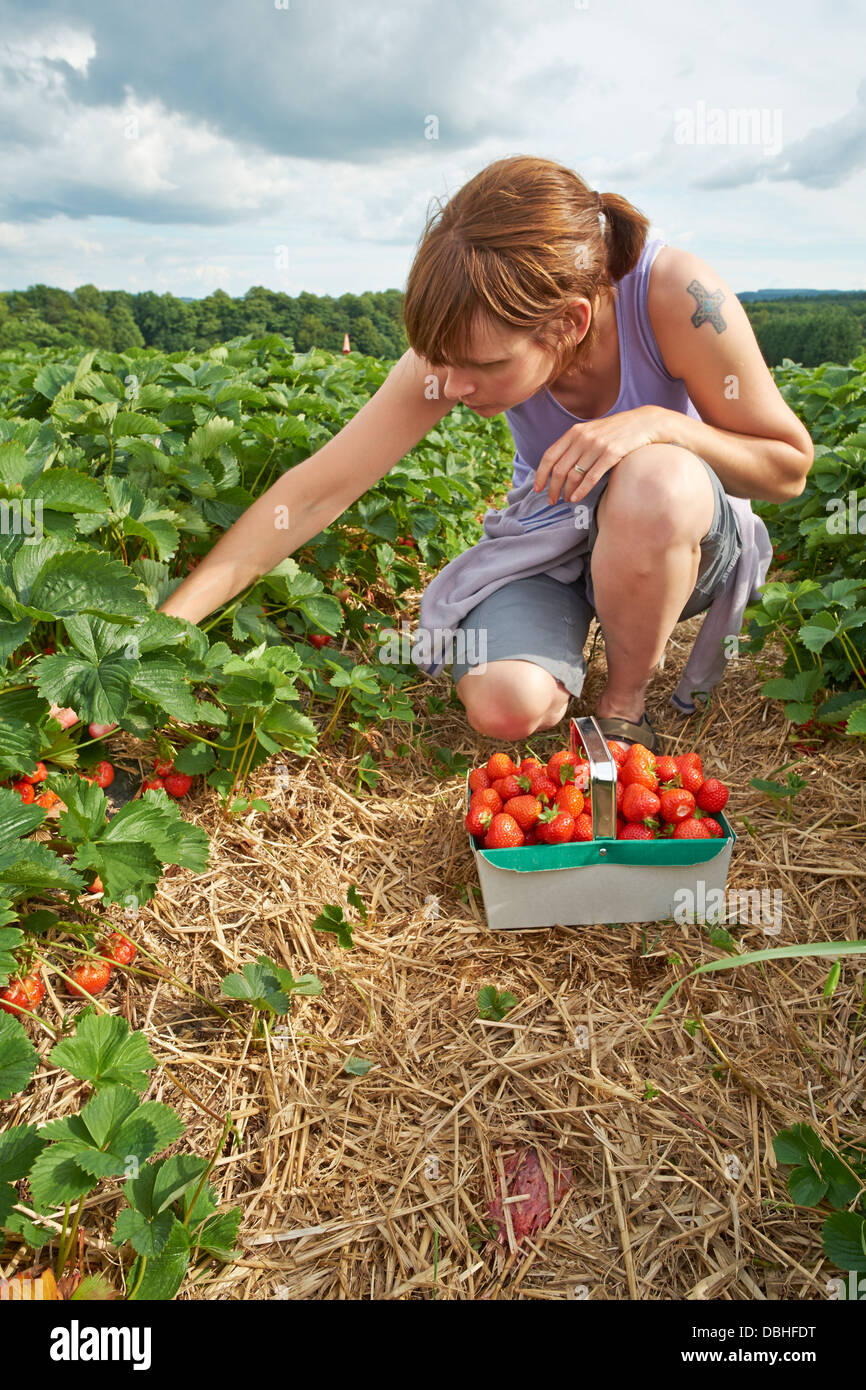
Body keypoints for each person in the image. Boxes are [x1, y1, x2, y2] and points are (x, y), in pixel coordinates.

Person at [162, 155, 813, 752]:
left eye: (482, 366)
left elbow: (789, 466)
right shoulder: (464, 336)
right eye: (441, 363)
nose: (452, 385)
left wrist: (654, 426)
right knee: (505, 705)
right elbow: (314, 492)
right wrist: (163, 632)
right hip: (555, 537)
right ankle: (562, 638)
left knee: (656, 477)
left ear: (571, 322)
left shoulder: (679, 296)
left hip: (680, 539)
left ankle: (624, 701)